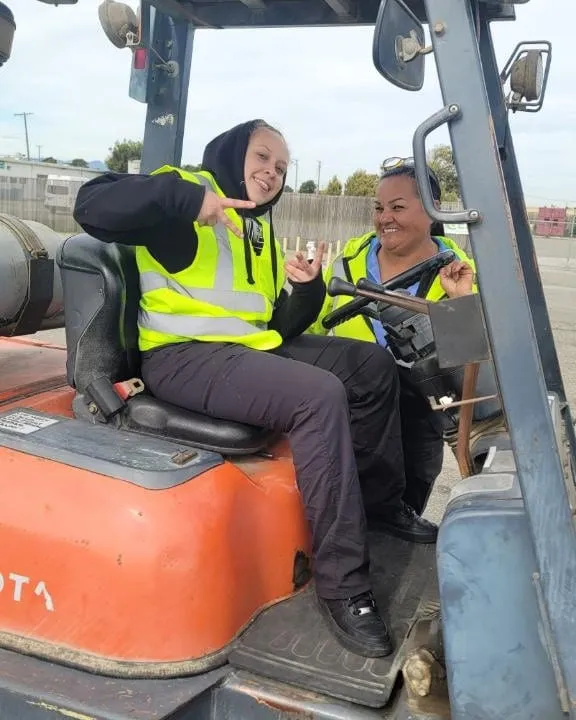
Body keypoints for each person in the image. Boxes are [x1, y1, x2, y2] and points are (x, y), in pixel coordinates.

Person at [72, 121, 436, 659]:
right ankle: (343, 586)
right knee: (319, 397)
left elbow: (275, 323)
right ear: (231, 153)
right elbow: (91, 204)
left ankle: (381, 506)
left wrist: (308, 289)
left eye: (282, 167)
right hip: (182, 356)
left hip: (245, 350)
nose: (272, 172)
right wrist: (189, 200)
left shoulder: (258, 229)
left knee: (370, 365)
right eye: (262, 156)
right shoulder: (183, 191)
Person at [309, 157, 476, 516]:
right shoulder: (346, 265)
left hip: (418, 419)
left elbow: (472, 362)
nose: (385, 218)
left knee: (401, 512)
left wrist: (460, 303)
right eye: (379, 208)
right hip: (351, 415)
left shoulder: (460, 273)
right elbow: (315, 330)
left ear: (432, 211)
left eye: (398, 207)